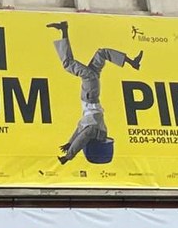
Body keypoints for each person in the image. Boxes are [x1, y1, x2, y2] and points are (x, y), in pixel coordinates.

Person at [46, 20, 142, 165]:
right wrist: (68, 156)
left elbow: (79, 132)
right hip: (90, 91)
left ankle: (132, 62)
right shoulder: (95, 130)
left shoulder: (87, 124)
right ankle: (64, 29)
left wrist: (69, 143)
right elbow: (82, 138)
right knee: (68, 64)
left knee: (101, 53)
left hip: (91, 89)